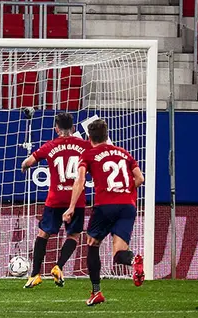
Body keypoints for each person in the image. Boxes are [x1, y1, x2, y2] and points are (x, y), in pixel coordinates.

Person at [64, 119, 145, 306]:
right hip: (128, 206)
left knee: (92, 243)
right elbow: (140, 178)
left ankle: (96, 292)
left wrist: (71, 207)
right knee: (119, 252)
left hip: (105, 205)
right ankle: (134, 260)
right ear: (107, 135)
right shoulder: (124, 153)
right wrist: (125, 192)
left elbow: (80, 182)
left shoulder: (89, 154)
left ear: (89, 137)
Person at [20, 112, 91, 288]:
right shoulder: (85, 145)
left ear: (56, 128)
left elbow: (29, 162)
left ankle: (35, 274)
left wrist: (24, 166)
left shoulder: (50, 145)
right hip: (76, 199)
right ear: (73, 128)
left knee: (43, 234)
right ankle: (58, 266)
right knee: (73, 235)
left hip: (55, 199)